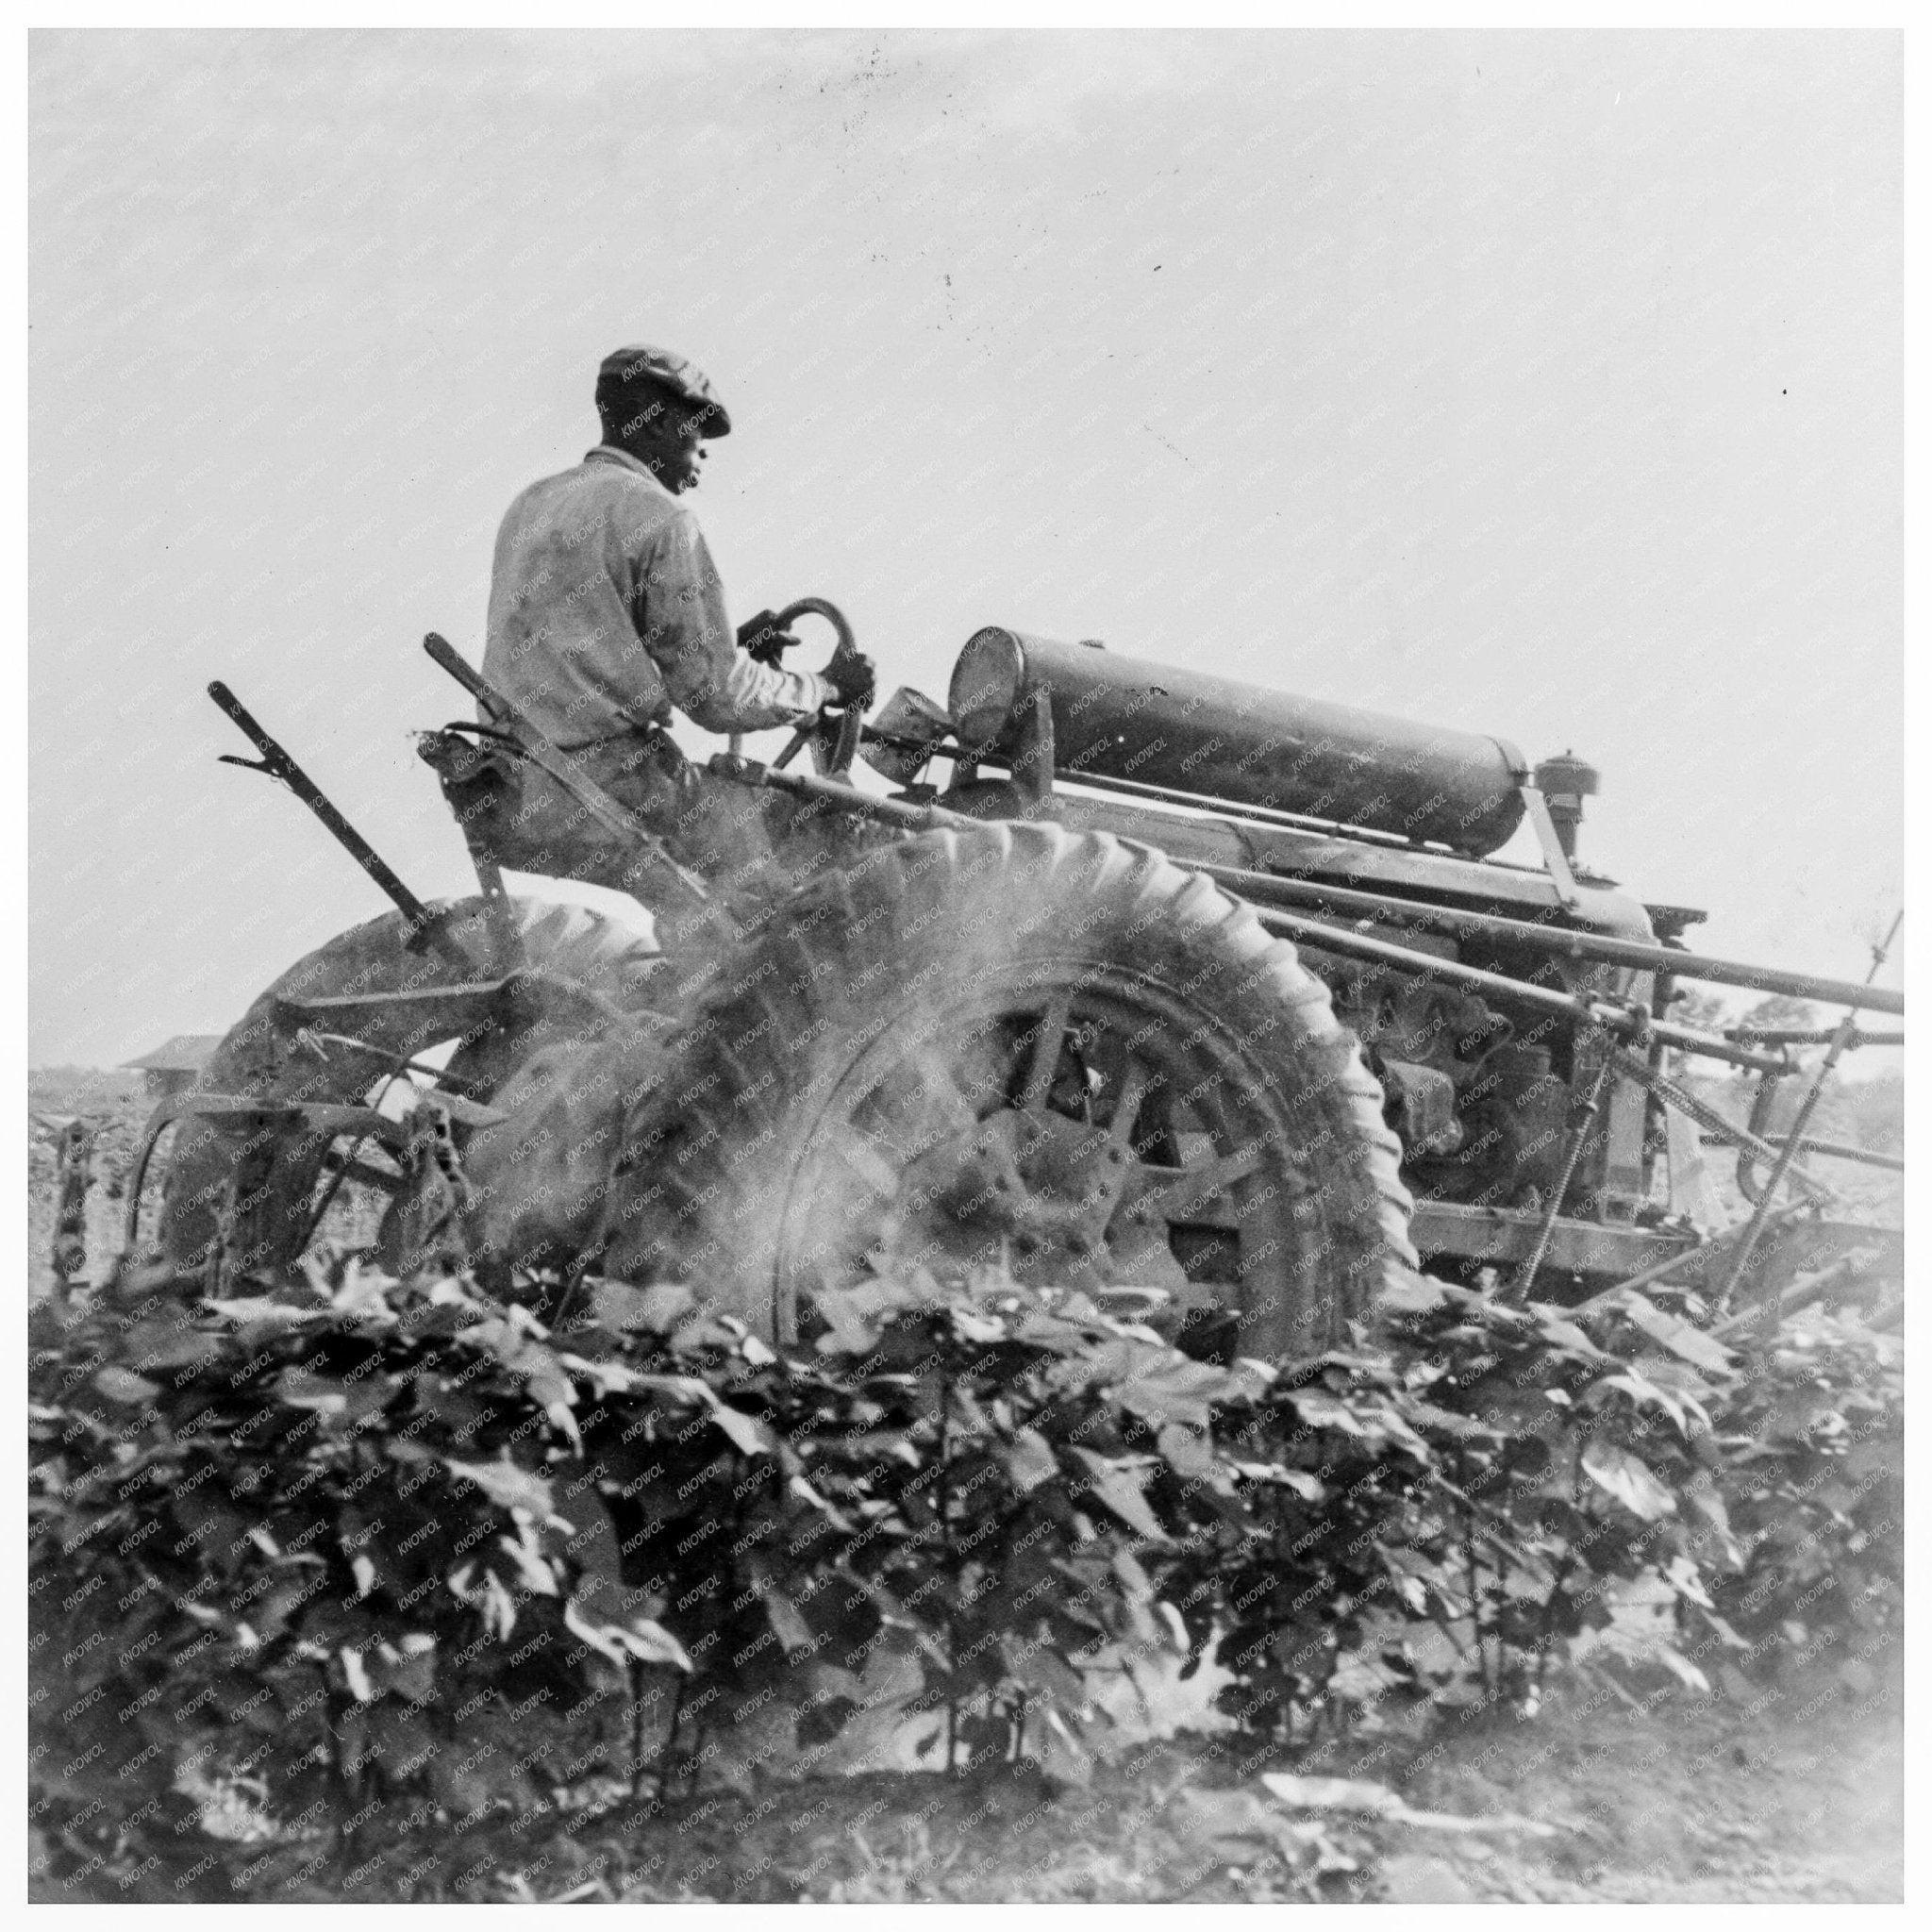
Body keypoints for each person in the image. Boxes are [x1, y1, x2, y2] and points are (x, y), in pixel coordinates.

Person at [469, 343, 875, 913]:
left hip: (511, 784)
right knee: (811, 838)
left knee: (702, 904)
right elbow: (715, 696)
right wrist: (826, 687)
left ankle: (699, 962)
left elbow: (583, 639)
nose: (703, 450)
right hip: (611, 781)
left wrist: (733, 642)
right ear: (658, 422)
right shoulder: (659, 517)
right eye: (697, 429)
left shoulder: (533, 504)